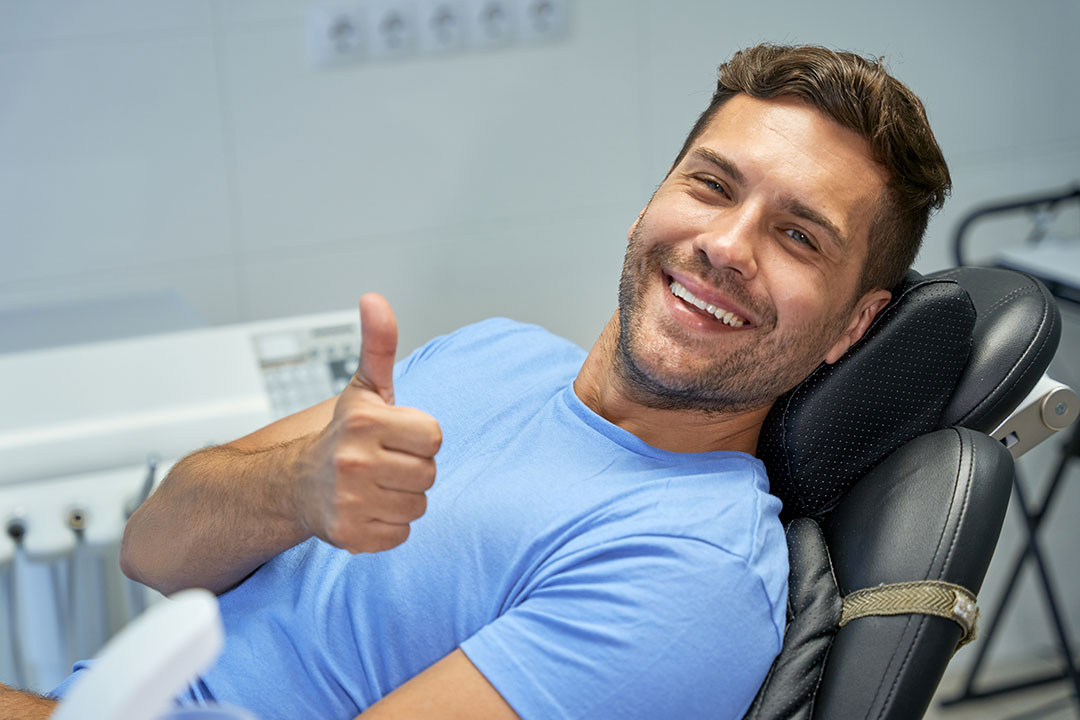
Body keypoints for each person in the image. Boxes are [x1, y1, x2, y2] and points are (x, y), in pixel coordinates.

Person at [0, 43, 950, 719]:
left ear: (853, 325)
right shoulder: (488, 355)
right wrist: (293, 488)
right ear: (651, 200)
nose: (724, 247)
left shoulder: (690, 573)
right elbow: (154, 549)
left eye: (797, 236)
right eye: (711, 185)